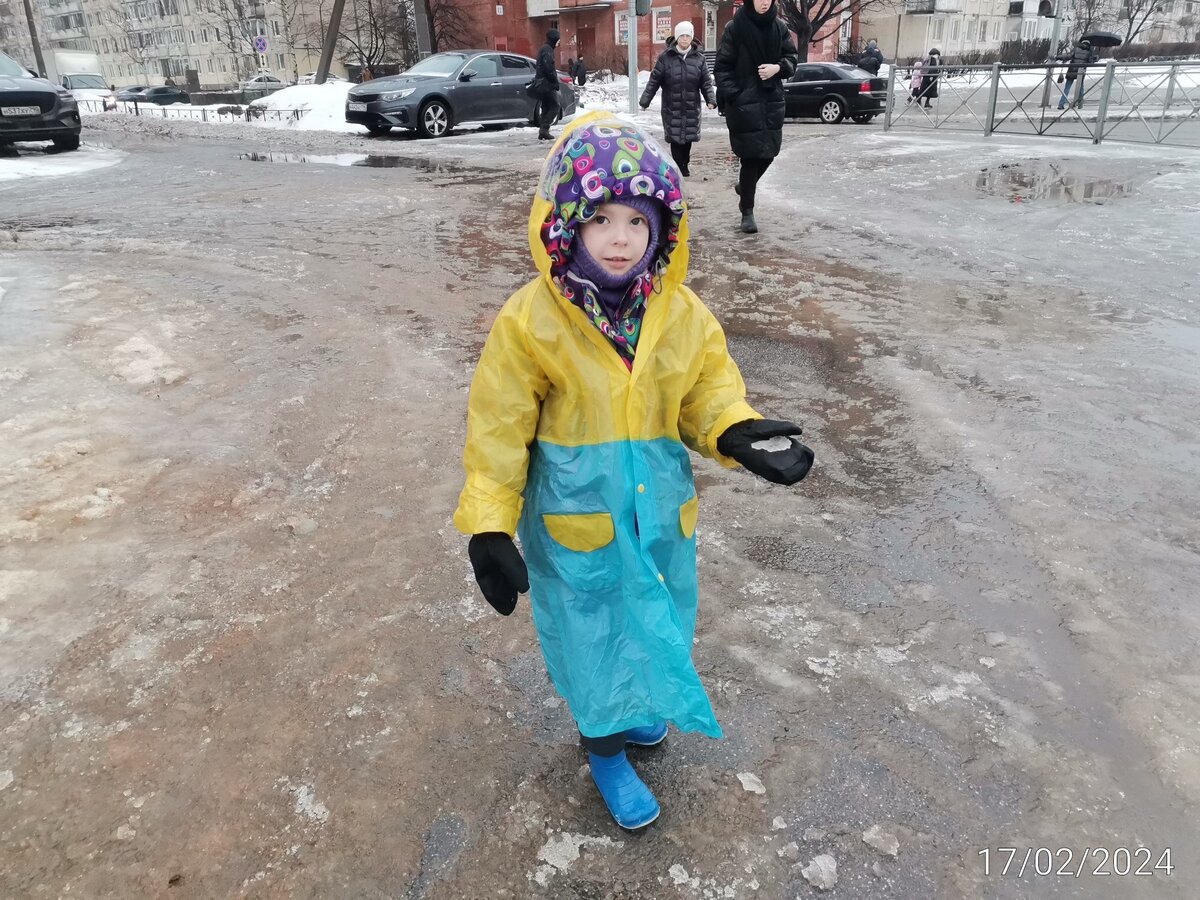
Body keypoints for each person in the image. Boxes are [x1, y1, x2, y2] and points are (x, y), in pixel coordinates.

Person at [456, 112, 814, 830]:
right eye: (601, 220)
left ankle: (637, 708)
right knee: (591, 638)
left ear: (662, 229)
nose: (620, 238)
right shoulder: (531, 322)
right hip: (576, 519)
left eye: (637, 221)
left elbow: (705, 390)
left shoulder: (680, 312)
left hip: (657, 514)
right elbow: (499, 430)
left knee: (658, 619)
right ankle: (605, 750)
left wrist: (732, 429)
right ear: (567, 226)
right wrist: (488, 524)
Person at [713, 0, 799, 235]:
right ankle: (747, 211)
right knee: (750, 158)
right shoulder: (736, 27)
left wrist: (778, 68)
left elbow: (792, 58)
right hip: (744, 105)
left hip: (771, 102)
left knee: (769, 154)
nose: (764, 2)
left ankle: (745, 187)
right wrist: (737, 95)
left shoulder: (779, 27)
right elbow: (721, 68)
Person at [639, 21, 718, 178]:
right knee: (675, 139)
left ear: (692, 37)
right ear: (676, 37)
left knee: (687, 139)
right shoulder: (665, 58)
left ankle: (685, 164)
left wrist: (711, 99)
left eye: (687, 35)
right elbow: (654, 80)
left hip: (690, 105)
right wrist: (645, 101)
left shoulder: (699, 59)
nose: (684, 39)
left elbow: (706, 82)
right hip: (671, 106)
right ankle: (679, 167)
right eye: (681, 35)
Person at [534, 29, 562, 140]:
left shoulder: (546, 49)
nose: (559, 42)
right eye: (558, 40)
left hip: (542, 82)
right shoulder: (547, 50)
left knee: (546, 106)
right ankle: (544, 129)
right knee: (555, 106)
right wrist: (554, 81)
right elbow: (549, 68)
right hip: (546, 83)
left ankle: (543, 131)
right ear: (554, 39)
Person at [1057, 39, 1097, 110]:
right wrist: (1094, 58)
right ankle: (1080, 104)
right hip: (1081, 72)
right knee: (1081, 88)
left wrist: (1057, 57)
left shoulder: (1076, 49)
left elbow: (1068, 56)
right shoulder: (1089, 52)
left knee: (1067, 88)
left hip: (1072, 70)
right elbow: (1091, 63)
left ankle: (1061, 104)